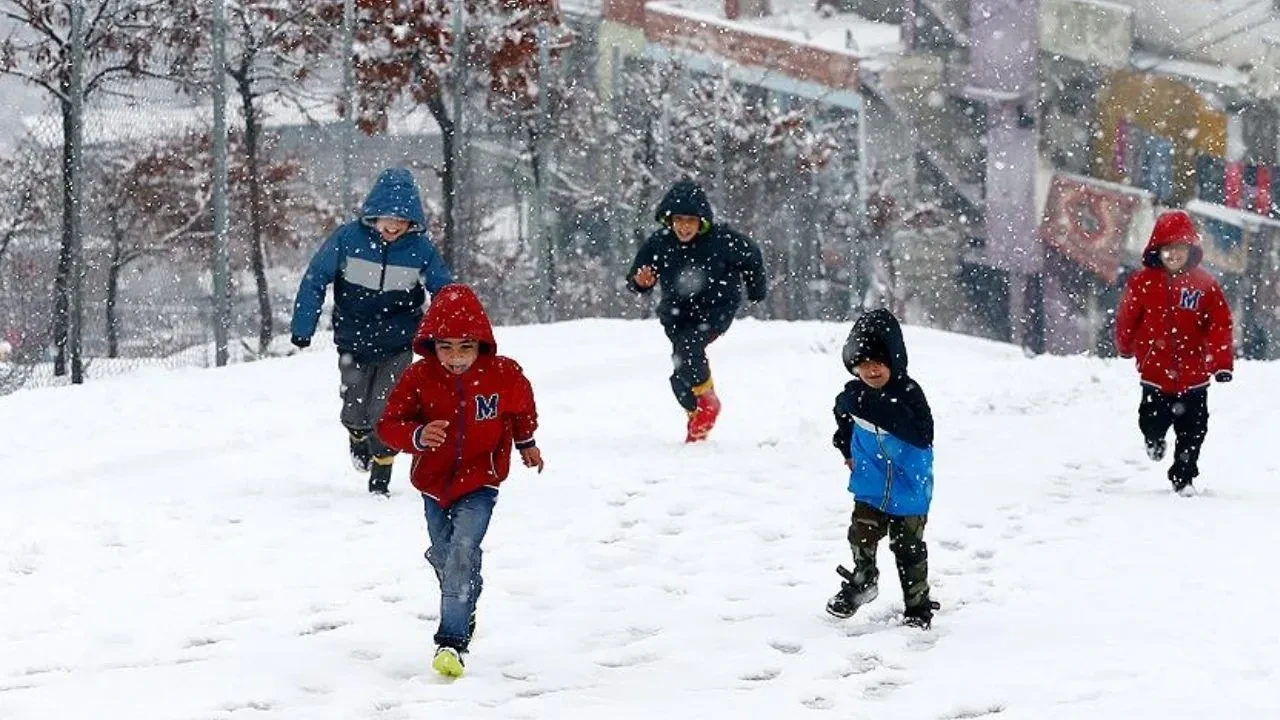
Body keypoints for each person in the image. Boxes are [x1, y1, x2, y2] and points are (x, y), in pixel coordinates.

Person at [377, 284, 543, 678]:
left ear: (481, 344)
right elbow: (388, 424)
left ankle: (451, 641)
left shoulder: (503, 374)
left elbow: (521, 408)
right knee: (444, 554)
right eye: (445, 347)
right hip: (434, 483)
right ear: (431, 345)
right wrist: (416, 435)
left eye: (465, 347)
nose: (455, 357)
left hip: (481, 480)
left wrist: (527, 443)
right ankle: (464, 595)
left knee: (462, 551)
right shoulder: (419, 377)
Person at [290, 168, 452, 495]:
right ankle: (357, 435)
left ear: (413, 222)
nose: (393, 226)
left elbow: (444, 290)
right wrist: (302, 325)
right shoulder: (347, 240)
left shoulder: (420, 249)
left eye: (402, 220)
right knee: (355, 406)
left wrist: (449, 333)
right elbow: (315, 278)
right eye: (387, 218)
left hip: (398, 343)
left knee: (387, 408)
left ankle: (383, 467)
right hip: (353, 339)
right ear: (373, 215)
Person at [625, 177, 768, 442]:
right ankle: (697, 413)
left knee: (689, 349)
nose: (684, 227)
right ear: (669, 220)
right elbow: (638, 274)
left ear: (702, 222)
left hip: (715, 310)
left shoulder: (721, 240)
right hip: (677, 314)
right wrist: (639, 282)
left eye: (690, 221)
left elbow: (751, 256)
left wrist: (756, 289)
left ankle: (708, 403)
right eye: (679, 220)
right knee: (680, 372)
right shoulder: (660, 243)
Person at [826, 308, 938, 629]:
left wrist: (873, 406)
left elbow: (922, 433)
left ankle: (917, 607)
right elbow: (843, 418)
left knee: (909, 549)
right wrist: (846, 448)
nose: (871, 370)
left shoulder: (908, 394)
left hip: (909, 487)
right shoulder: (852, 396)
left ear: (893, 360)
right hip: (871, 484)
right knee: (861, 534)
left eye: (878, 362)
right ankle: (863, 581)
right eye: (862, 364)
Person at [1115, 209, 1234, 496]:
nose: (1173, 255)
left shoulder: (1205, 285)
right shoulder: (1141, 282)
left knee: (1193, 431)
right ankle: (1154, 439)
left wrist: (1221, 363)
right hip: (1155, 372)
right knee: (1151, 420)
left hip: (1194, 376)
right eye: (1167, 249)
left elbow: (1219, 324)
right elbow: (1128, 317)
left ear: (1189, 250)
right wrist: (1125, 345)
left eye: (1179, 248)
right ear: (1157, 251)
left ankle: (1183, 477)